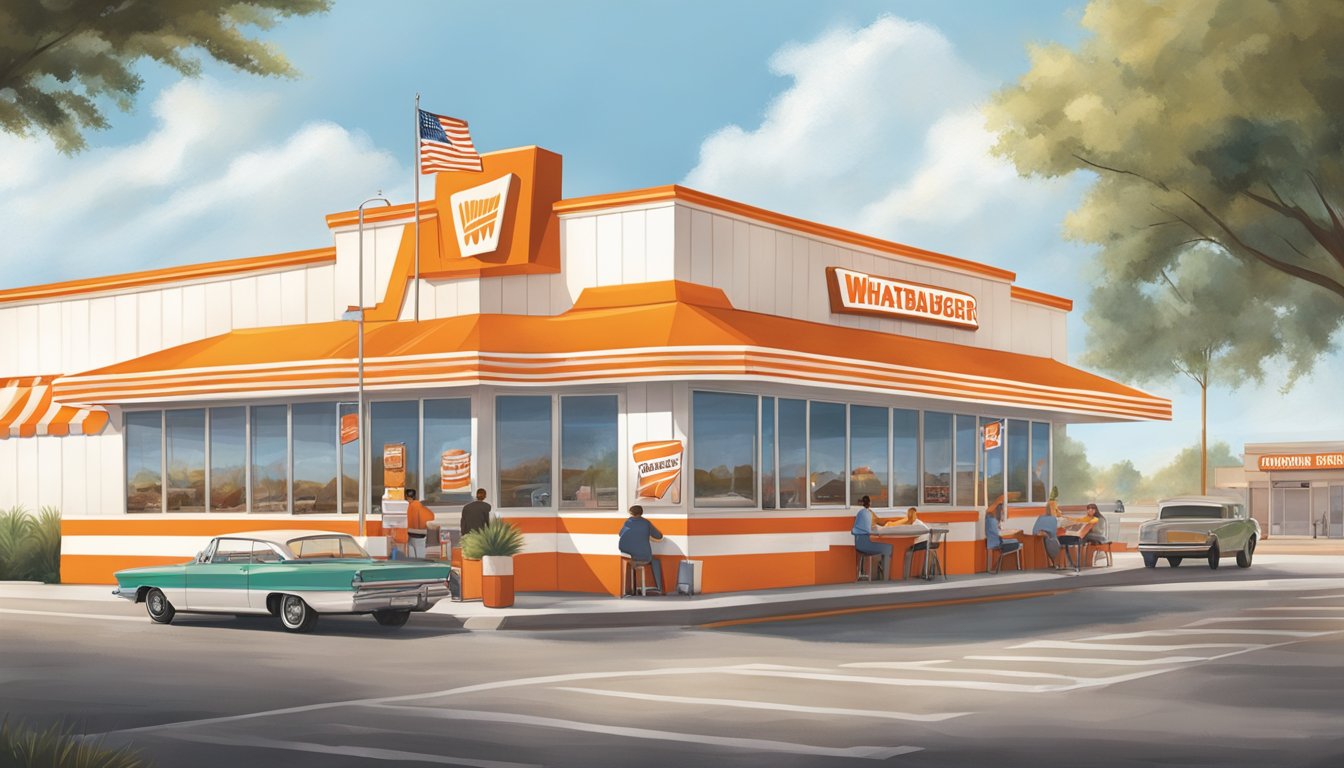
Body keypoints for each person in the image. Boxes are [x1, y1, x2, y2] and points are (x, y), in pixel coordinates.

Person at [618, 505, 664, 594]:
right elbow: (659, 536)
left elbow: (620, 534)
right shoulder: (646, 523)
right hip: (644, 557)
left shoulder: (627, 522)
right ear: (641, 513)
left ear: (631, 513)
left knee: (634, 558)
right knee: (655, 561)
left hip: (628, 556)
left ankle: (631, 588)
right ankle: (659, 588)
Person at [851, 495, 900, 580]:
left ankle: (881, 569)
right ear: (870, 503)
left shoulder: (860, 513)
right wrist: (892, 522)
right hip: (864, 544)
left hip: (859, 542)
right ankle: (885, 578)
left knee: (885, 547)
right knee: (888, 548)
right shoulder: (867, 513)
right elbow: (876, 524)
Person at [1058, 503, 1102, 569]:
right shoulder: (1086, 518)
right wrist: (1066, 518)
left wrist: (1080, 523)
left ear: (1096, 510)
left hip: (1092, 535)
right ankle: (1068, 563)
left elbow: (1090, 523)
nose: (1090, 510)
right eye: (1089, 509)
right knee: (1065, 537)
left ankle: (1075, 563)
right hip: (1084, 534)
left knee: (1075, 540)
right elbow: (1078, 520)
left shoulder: (1095, 519)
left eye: (1092, 509)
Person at [985, 498, 1022, 569]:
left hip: (992, 542)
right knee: (1017, 542)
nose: (1003, 513)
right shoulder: (993, 520)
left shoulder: (989, 519)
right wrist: (1010, 531)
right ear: (999, 511)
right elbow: (998, 533)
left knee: (1015, 541)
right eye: (1002, 512)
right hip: (997, 543)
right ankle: (1018, 568)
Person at [1031, 500, 1064, 569]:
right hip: (1051, 540)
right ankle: (1058, 562)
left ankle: (1054, 562)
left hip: (1042, 540)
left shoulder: (1041, 517)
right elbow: (1055, 532)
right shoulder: (1053, 519)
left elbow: (1035, 531)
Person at [404, 488, 435, 559]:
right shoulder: (420, 506)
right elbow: (431, 516)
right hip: (421, 535)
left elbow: (414, 520)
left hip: (412, 534)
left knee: (413, 557)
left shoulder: (411, 506)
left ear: (407, 497)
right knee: (420, 556)